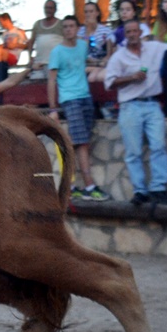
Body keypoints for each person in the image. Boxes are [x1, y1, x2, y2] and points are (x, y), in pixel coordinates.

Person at [104, 19, 167, 205]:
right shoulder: (118, 57)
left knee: (158, 146)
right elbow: (109, 83)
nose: (133, 34)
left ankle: (158, 188)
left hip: (152, 103)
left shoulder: (153, 48)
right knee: (133, 151)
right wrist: (131, 78)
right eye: (129, 32)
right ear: (125, 35)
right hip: (130, 105)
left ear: (141, 33)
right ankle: (140, 190)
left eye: (135, 31)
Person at [47, 15, 109, 201]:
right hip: (70, 98)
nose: (68, 29)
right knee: (80, 142)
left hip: (85, 96)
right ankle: (88, 185)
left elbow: (87, 60)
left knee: (81, 141)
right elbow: (51, 80)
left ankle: (72, 185)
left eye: (71, 26)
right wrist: (53, 108)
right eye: (65, 26)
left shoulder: (82, 46)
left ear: (76, 28)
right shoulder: (57, 52)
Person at [77, 1, 115, 82]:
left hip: (101, 64)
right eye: (86, 12)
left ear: (97, 13)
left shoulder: (106, 31)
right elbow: (81, 52)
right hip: (86, 65)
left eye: (91, 11)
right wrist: (88, 31)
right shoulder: (81, 32)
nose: (88, 14)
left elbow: (109, 54)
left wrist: (100, 62)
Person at [26, 0, 64, 76]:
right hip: (39, 65)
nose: (48, 10)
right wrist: (30, 58)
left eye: (50, 8)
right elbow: (31, 41)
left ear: (55, 9)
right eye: (46, 8)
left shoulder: (61, 24)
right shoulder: (37, 24)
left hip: (56, 64)